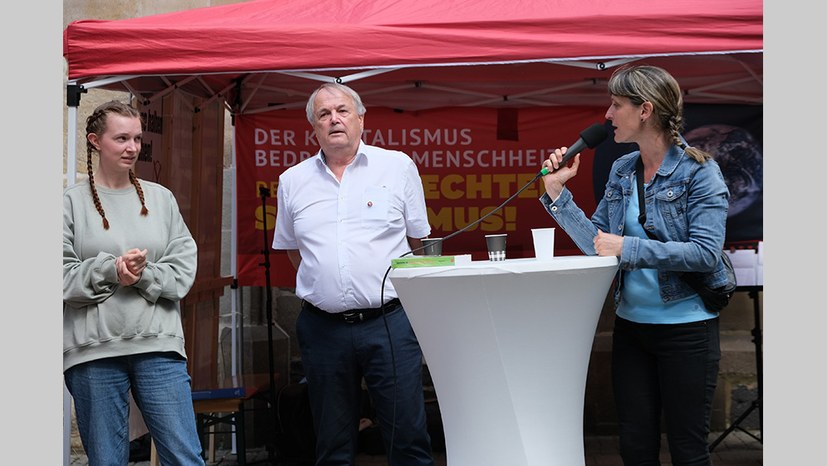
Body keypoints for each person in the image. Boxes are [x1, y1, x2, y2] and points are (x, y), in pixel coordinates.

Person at [539, 65, 729, 465]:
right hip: (632, 329)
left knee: (688, 449)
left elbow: (704, 253)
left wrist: (628, 247)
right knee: (635, 447)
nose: (607, 115)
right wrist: (558, 195)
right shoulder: (621, 169)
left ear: (645, 110)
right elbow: (597, 246)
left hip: (687, 331)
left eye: (616, 105)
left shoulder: (700, 171)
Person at [272, 82, 435, 466]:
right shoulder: (292, 181)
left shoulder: (397, 166)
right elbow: (297, 251)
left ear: (361, 118)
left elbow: (419, 240)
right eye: (324, 114)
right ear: (313, 128)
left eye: (342, 111)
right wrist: (329, 286)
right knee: (331, 444)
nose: (334, 120)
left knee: (408, 437)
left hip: (389, 324)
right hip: (322, 329)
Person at [63, 100, 204, 466]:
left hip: (158, 347)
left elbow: (183, 271)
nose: (132, 148)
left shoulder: (161, 199)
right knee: (107, 461)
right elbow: (58, 277)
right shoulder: (69, 204)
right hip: (94, 352)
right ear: (95, 141)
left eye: (137, 139)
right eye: (121, 138)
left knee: (185, 458)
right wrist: (112, 270)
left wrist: (143, 274)